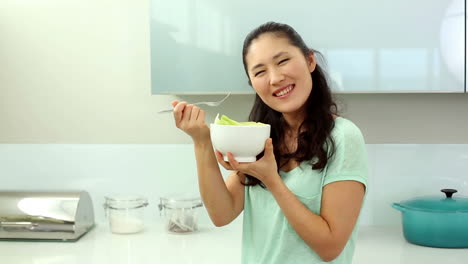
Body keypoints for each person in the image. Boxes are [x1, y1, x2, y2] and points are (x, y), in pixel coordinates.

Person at [171, 21, 368, 264]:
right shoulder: (260, 136)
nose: (275, 78)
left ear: (310, 61)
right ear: (252, 83)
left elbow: (329, 247)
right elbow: (222, 214)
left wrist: (271, 179)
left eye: (282, 61)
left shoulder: (343, 137)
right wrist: (201, 141)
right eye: (260, 71)